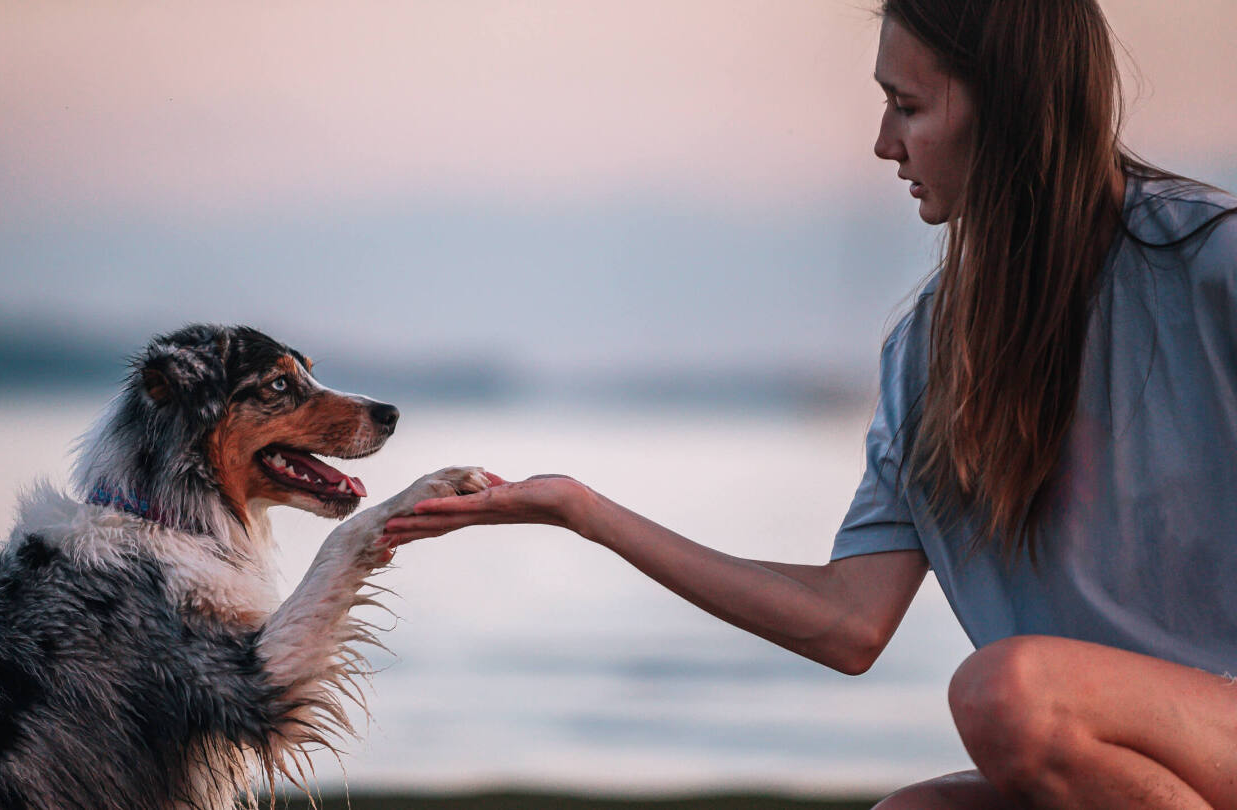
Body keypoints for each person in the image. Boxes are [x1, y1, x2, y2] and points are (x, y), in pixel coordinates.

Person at [380, 0, 1237, 807]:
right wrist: (583, 513)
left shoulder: (1212, 263)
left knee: (1006, 692)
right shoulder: (931, 356)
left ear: (1008, 107)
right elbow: (847, 623)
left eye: (907, 105)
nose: (882, 143)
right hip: (1121, 762)